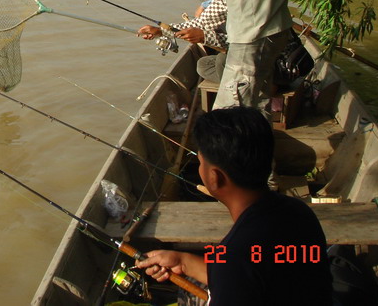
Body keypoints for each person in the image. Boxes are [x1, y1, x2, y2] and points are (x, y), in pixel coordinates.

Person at [135, 106, 333, 305]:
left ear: (214, 178)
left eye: (201, 162)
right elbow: (259, 266)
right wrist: (183, 262)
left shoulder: (235, 255)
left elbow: (241, 269)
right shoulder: (299, 212)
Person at [138, 0, 227, 83]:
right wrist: (161, 31)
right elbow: (202, 22)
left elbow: (242, 43)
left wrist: (205, 37)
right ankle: (233, 79)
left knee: (221, 60)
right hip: (233, 49)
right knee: (203, 65)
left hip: (243, 52)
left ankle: (235, 86)